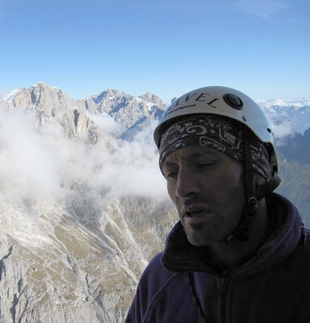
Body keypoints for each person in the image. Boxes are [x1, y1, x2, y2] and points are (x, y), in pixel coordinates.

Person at [125, 86, 310, 323]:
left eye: (204, 164)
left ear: (259, 171)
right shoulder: (159, 279)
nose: (182, 189)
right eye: (171, 173)